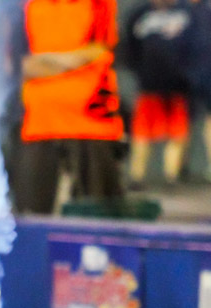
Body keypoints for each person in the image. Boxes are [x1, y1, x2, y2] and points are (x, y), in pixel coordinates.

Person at [11, 0, 126, 215]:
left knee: (100, 216)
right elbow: (20, 65)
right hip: (38, 122)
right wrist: (71, 60)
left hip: (92, 121)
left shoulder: (99, 4)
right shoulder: (28, 7)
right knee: (31, 215)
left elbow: (100, 51)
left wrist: (46, 61)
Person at [125, 0, 200, 187]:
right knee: (142, 133)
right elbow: (129, 49)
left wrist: (188, 75)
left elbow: (197, 46)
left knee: (177, 134)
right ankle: (136, 177)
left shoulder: (186, 14)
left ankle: (172, 176)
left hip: (178, 87)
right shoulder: (139, 14)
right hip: (149, 86)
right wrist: (142, 72)